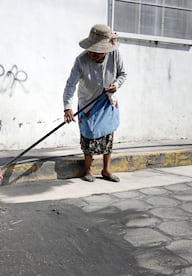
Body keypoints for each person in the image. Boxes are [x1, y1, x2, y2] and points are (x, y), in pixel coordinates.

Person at [63, 24, 127, 182]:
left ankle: (106, 170)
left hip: (107, 102)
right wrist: (67, 108)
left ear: (106, 49)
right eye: (91, 50)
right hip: (88, 104)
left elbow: (122, 74)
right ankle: (88, 170)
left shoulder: (114, 55)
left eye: (97, 52)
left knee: (108, 135)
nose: (93, 54)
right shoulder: (81, 60)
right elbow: (71, 84)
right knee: (89, 135)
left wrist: (116, 85)